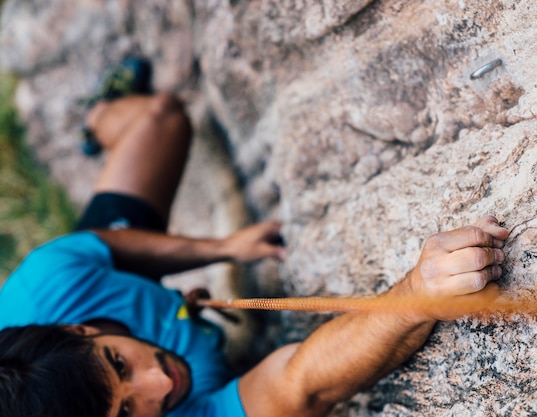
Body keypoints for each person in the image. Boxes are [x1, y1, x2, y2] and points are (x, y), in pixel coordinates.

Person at [0, 59, 510, 417]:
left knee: (162, 118)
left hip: (100, 280)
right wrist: (416, 296)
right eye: (130, 412)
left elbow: (110, 248)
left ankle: (97, 115)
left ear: (77, 332)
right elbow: (300, 387)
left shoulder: (44, 287)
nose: (160, 384)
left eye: (119, 364)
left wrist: (223, 249)